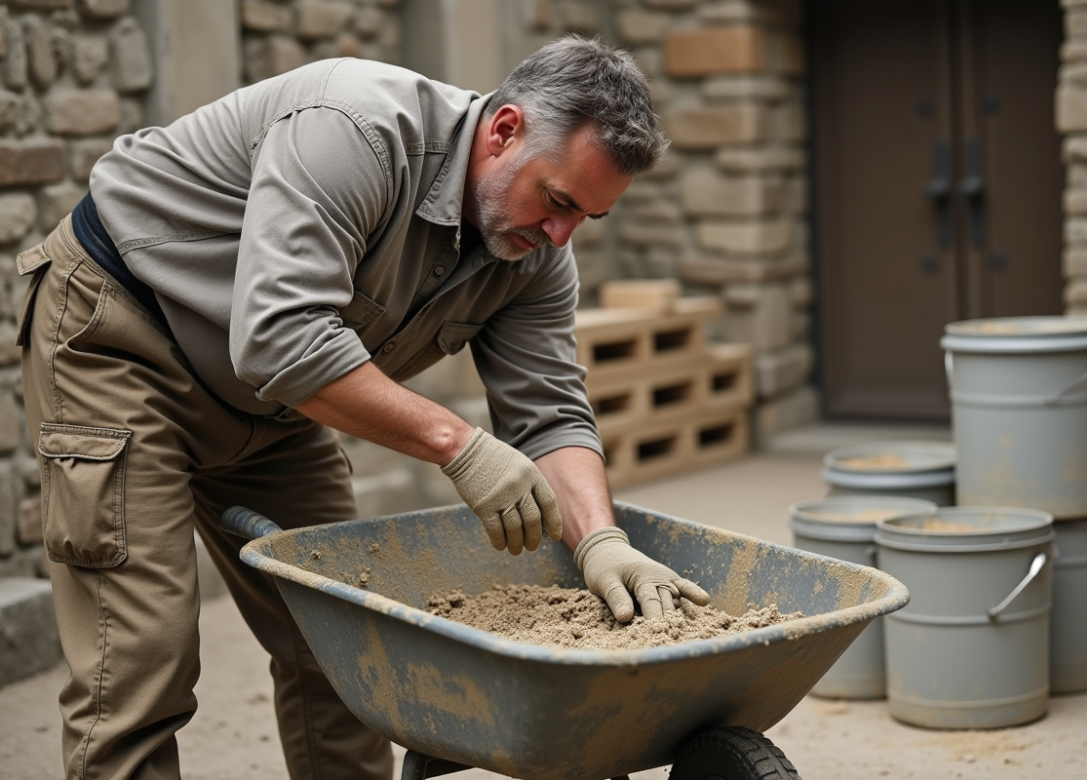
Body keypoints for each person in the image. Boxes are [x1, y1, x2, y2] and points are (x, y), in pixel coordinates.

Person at [16, 35, 711, 780]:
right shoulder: (354, 129)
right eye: (559, 201)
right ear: (505, 130)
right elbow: (283, 338)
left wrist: (600, 540)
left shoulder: (534, 254)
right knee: (140, 656)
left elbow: (549, 411)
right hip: (124, 336)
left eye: (586, 219)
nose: (560, 235)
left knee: (346, 641)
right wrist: (458, 444)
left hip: (272, 398)